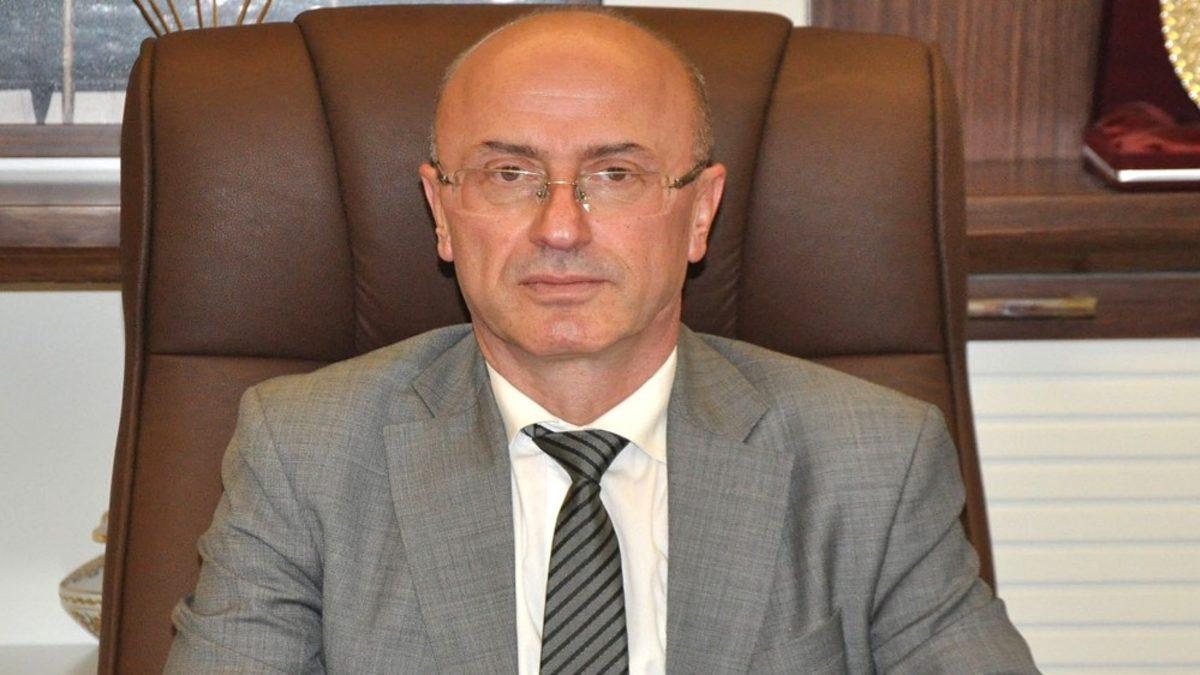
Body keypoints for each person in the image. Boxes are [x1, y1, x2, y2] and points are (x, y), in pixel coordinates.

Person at [166, 8, 1038, 674]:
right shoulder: (305, 454)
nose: (559, 228)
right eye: (509, 173)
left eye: (614, 175)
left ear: (701, 211)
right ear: (442, 210)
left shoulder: (874, 462)